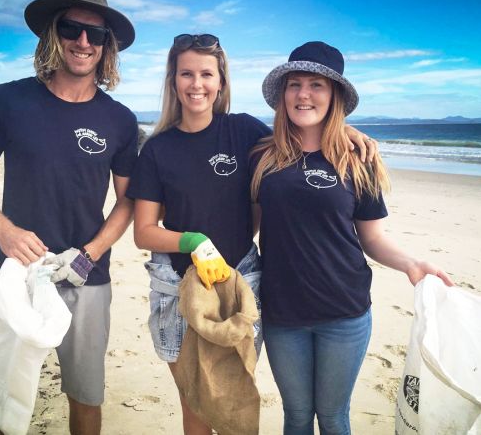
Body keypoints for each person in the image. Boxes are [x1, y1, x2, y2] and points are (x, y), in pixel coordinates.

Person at [125, 34, 377, 435]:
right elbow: (143, 232)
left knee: (229, 397)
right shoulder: (158, 150)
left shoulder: (243, 132)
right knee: (194, 403)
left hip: (240, 281)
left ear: (221, 82)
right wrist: (193, 242)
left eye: (207, 74)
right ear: (173, 81)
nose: (197, 84)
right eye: (186, 74)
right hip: (177, 285)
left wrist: (346, 132)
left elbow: (300, 136)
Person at [0, 0, 138, 433]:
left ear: (106, 45)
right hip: (17, 268)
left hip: (86, 273)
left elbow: (128, 199)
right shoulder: (8, 100)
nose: (83, 42)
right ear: (52, 35)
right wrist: (4, 230)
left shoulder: (119, 119)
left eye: (95, 34)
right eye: (72, 29)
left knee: (86, 393)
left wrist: (90, 252)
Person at [250, 41, 455, 435]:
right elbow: (250, 227)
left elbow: (373, 238)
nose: (303, 94)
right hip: (282, 313)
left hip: (344, 312)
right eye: (295, 84)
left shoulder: (357, 159)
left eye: (317, 85)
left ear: (335, 96)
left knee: (332, 416)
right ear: (283, 94)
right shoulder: (262, 155)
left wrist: (411, 263)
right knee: (295, 415)